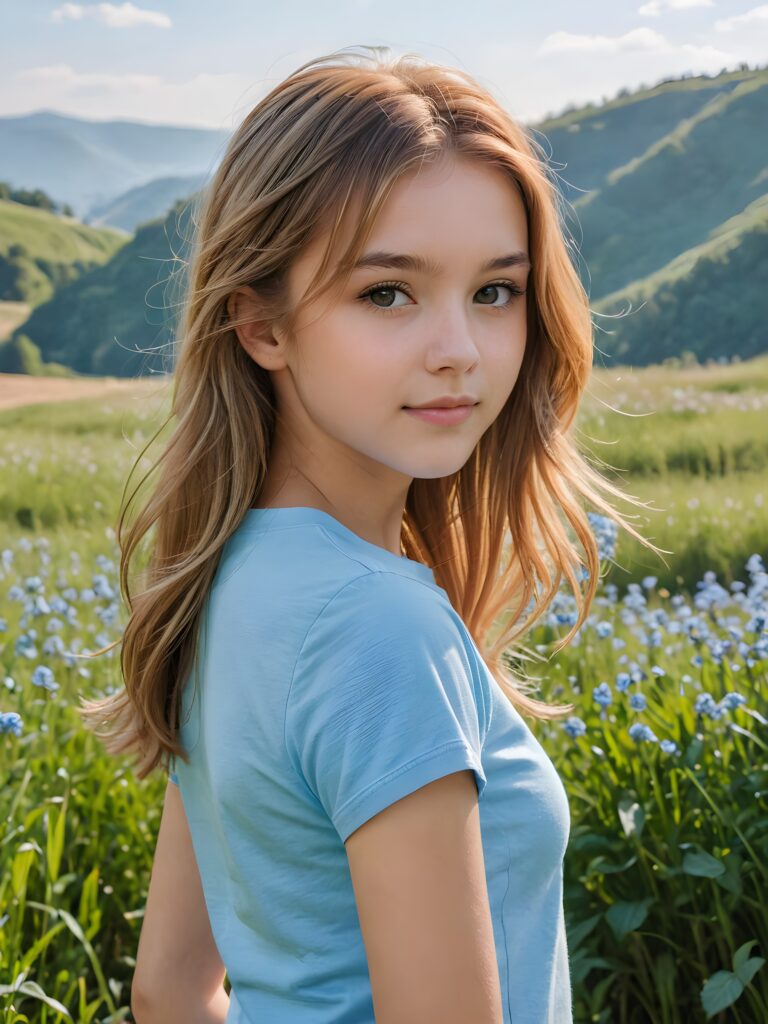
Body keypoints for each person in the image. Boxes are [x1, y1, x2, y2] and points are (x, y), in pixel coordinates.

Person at [79, 45, 661, 1024]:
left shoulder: (224, 581)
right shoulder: (377, 623)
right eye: (387, 292)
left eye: (495, 291)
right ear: (261, 326)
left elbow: (170, 990)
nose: (460, 352)